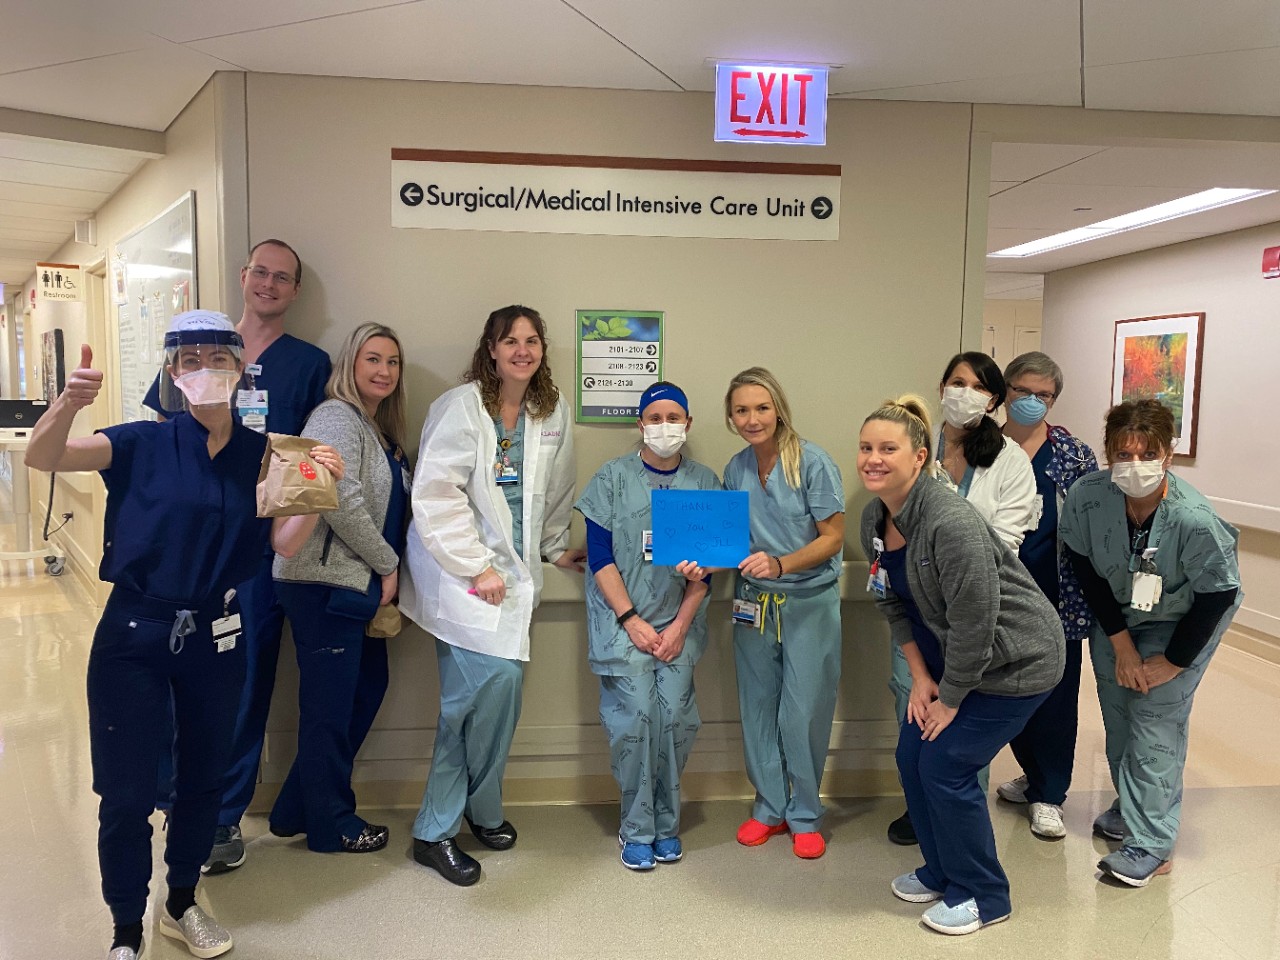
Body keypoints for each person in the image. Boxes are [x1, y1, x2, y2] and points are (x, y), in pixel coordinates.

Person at [24, 312, 342, 960]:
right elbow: (44, 456)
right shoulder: (140, 442)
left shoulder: (264, 453)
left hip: (217, 636)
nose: (205, 371)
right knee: (128, 791)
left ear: (237, 369)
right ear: (173, 373)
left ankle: (180, 904)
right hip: (135, 634)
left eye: (218, 358)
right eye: (190, 360)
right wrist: (69, 403)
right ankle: (122, 928)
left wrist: (315, 487)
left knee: (201, 782)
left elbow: (282, 543)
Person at [145, 240, 332, 874]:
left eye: (284, 277)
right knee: (174, 676)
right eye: (261, 272)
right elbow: (155, 435)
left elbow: (303, 454)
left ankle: (222, 818)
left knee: (243, 682)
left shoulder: (307, 364)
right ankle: (174, 801)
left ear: (295, 290)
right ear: (243, 276)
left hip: (253, 549)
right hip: (183, 547)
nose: (270, 284)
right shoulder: (199, 343)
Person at [858, 395, 1064, 936]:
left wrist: (949, 699)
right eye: (865, 448)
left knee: (946, 764)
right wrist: (922, 679)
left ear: (919, 457)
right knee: (912, 755)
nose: (873, 459)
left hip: (1019, 662)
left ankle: (985, 894)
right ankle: (942, 870)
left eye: (888, 448)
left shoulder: (950, 522)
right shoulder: (875, 518)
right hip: (952, 665)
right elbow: (889, 600)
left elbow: (976, 624)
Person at [400, 305, 585, 886]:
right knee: (476, 700)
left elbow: (556, 487)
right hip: (463, 580)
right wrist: (474, 566)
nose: (522, 351)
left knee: (501, 702)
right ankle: (434, 831)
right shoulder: (460, 406)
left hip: (515, 579)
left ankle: (480, 809)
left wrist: (556, 547)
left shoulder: (550, 410)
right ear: (492, 348)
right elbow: (436, 493)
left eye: (532, 341)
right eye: (511, 341)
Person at [1060, 399, 1241, 887]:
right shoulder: (1088, 496)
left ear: (1169, 455)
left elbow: (1218, 593)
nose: (1134, 464)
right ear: (1108, 453)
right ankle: (1132, 805)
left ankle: (1152, 844)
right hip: (1116, 615)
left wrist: (1175, 662)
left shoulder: (1192, 518)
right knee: (1118, 718)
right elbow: (1085, 568)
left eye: (1147, 454)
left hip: (1182, 619)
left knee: (1154, 724)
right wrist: (1120, 645)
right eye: (1123, 453)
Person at [269, 323, 411, 854]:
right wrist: (388, 563)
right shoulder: (334, 416)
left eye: (393, 362)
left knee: (362, 693)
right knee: (329, 709)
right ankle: (332, 824)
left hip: (353, 587)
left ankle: (295, 807)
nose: (384, 371)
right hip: (322, 584)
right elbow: (339, 497)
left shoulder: (375, 429)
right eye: (372, 358)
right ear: (350, 364)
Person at [886, 351, 1038, 845]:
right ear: (941, 385)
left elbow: (1005, 541)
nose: (964, 393)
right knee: (913, 710)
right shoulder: (915, 449)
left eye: (977, 387)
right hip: (919, 610)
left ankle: (956, 815)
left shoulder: (1010, 460)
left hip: (973, 613)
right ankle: (924, 808)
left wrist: (949, 549)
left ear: (993, 400)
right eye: (956, 381)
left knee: (961, 726)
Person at [574, 382, 719, 870]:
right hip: (623, 624)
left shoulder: (705, 484)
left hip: (679, 623)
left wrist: (679, 626)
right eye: (654, 417)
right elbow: (598, 557)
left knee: (676, 719)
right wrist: (631, 619)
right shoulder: (611, 479)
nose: (664, 426)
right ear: (640, 424)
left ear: (689, 423)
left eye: (673, 416)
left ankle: (666, 823)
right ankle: (636, 828)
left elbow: (710, 572)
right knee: (635, 719)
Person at [721, 367, 844, 860]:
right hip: (753, 603)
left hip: (808, 601)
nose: (753, 419)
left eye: (761, 408)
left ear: (779, 409)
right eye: (742, 410)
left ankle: (806, 813)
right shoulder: (736, 469)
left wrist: (781, 564)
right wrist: (697, 560)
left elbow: (832, 538)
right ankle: (769, 807)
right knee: (757, 708)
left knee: (802, 711)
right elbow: (731, 541)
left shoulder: (812, 463)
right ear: (731, 418)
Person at [991, 351, 1098, 839]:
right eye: (1023, 392)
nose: (1032, 402)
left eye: (1044, 395)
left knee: (1056, 696)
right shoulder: (981, 447)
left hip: (1059, 596)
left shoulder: (1073, 455)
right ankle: (1032, 773)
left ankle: (1050, 793)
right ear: (1003, 391)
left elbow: (1091, 527)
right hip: (996, 594)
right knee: (1007, 690)